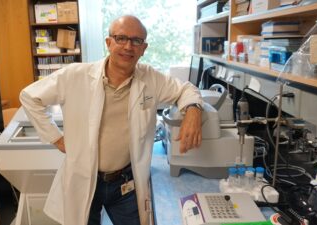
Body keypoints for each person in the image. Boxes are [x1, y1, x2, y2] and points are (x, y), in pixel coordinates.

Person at [20, 15, 203, 225]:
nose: (128, 46)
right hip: (85, 179)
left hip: (126, 183)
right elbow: (29, 97)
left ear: (144, 48)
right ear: (109, 42)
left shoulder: (151, 78)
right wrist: (56, 138)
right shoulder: (75, 75)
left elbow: (186, 89)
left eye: (136, 41)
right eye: (121, 38)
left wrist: (193, 111)